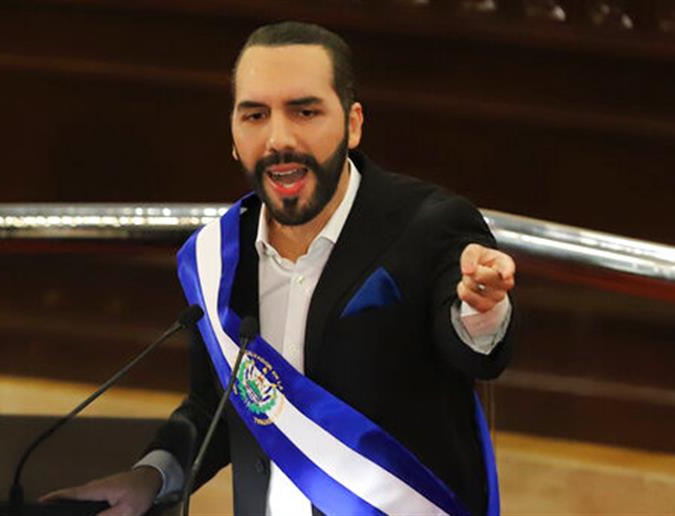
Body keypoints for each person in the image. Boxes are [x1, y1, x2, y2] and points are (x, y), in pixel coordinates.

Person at [44, 21, 516, 516]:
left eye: (305, 112)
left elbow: (477, 353)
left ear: (353, 124)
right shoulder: (220, 256)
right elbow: (216, 405)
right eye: (255, 115)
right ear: (233, 134)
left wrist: (481, 306)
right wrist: (151, 476)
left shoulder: (429, 225)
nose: (278, 138)